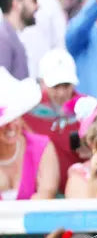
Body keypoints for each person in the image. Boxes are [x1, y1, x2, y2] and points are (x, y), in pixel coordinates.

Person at [27, 47, 84, 192]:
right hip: (41, 194)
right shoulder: (26, 113)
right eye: (55, 86)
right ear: (42, 82)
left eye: (66, 85)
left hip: (79, 193)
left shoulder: (89, 109)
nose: (61, 92)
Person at [0, 69, 59, 200]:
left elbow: (45, 196)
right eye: (4, 122)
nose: (11, 126)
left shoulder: (42, 147)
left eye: (14, 118)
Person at [0, 0, 37, 78]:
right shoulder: (3, 40)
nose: (37, 6)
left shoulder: (9, 37)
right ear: (17, 4)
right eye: (33, 0)